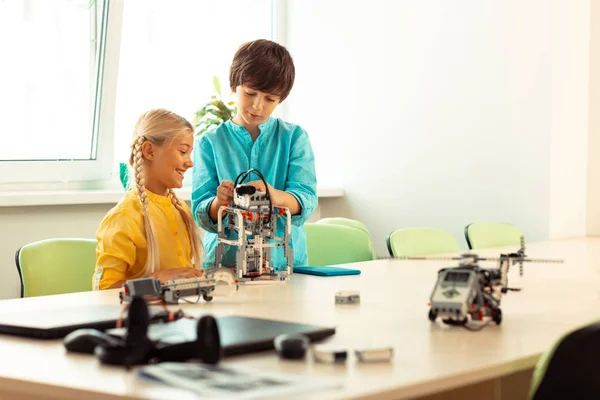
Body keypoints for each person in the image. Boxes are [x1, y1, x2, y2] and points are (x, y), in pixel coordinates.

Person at [191, 39, 317, 270]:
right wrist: (219, 202)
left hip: (283, 265)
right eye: (250, 93)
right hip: (226, 266)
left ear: (281, 99)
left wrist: (273, 195)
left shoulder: (294, 138)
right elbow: (200, 210)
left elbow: (306, 199)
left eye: (270, 99)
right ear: (234, 86)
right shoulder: (209, 143)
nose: (258, 106)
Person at [94, 109, 205, 290]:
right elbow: (105, 290)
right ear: (149, 151)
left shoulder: (180, 209)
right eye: (183, 151)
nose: (190, 162)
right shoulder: (124, 217)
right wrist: (157, 279)